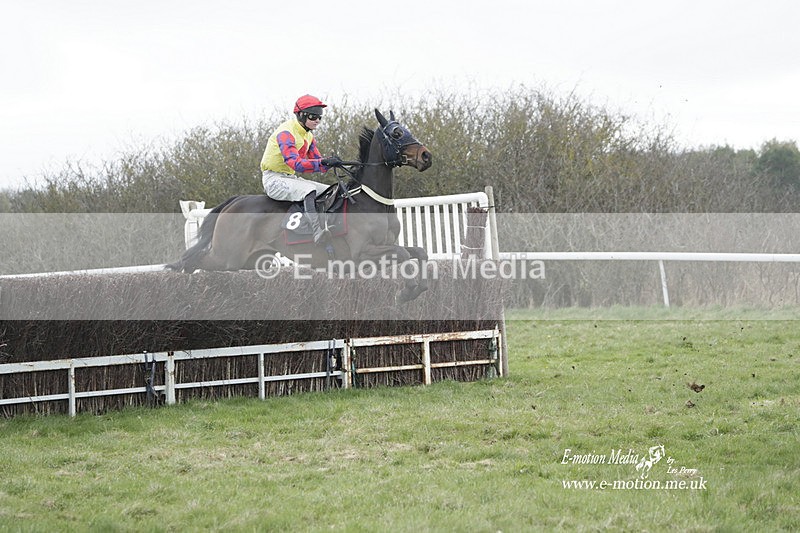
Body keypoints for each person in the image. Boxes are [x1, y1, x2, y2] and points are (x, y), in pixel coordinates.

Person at [260, 95, 343, 244]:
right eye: (313, 116)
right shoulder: (286, 133)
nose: (317, 120)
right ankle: (317, 232)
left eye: (319, 117)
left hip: (289, 178)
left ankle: (330, 226)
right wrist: (322, 162)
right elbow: (295, 163)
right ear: (301, 115)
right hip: (273, 180)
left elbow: (318, 163)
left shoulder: (308, 136)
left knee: (332, 190)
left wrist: (331, 163)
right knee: (309, 190)